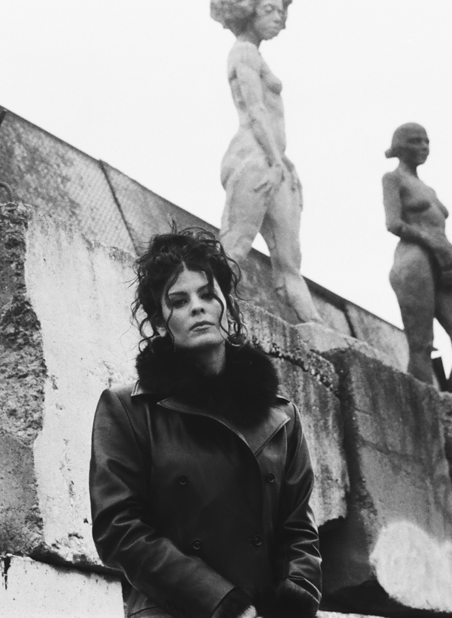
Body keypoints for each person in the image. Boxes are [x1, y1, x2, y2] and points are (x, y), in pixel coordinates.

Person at [89, 227, 321, 618]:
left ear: (226, 306)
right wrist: (225, 603)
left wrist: (292, 604)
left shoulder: (282, 418)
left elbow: (298, 530)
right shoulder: (128, 409)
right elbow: (119, 529)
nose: (197, 307)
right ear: (161, 324)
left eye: (207, 294)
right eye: (179, 301)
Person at [209, 0, 321, 324]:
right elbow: (255, 110)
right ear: (249, 11)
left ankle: (314, 327)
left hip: (274, 160)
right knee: (236, 244)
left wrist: (283, 164)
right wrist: (276, 162)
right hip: (254, 159)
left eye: (281, 11)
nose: (279, 19)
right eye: (270, 10)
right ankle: (209, 310)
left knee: (289, 260)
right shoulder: (242, 52)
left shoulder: (257, 55)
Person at [383, 123, 452, 398]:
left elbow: (441, 233)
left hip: (442, 266)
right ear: (400, 146)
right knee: (422, 344)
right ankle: (425, 412)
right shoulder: (393, 179)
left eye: (426, 141)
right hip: (414, 261)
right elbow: (394, 223)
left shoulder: (429, 190)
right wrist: (436, 246)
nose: (423, 147)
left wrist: (451, 259)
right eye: (415, 141)